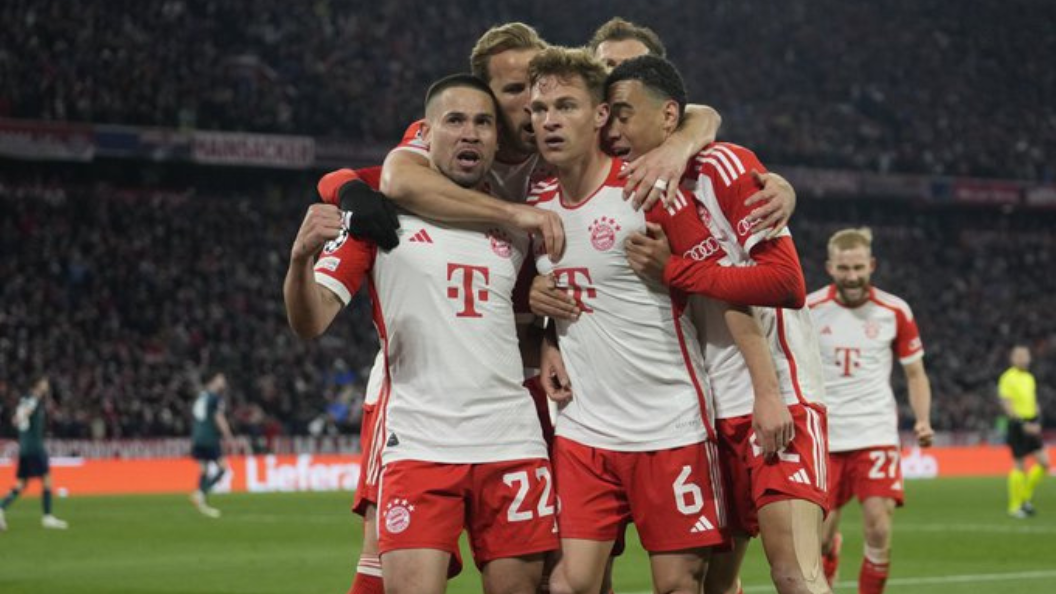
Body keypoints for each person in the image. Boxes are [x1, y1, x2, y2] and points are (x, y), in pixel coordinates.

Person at [527, 46, 791, 594]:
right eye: (539, 109)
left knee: (679, 585)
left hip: (669, 427)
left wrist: (767, 392)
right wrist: (545, 332)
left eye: (566, 106)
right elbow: (551, 289)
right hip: (583, 430)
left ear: (600, 115)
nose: (549, 121)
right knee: (570, 582)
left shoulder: (650, 190)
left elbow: (722, 289)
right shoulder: (536, 200)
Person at [285, 74, 556, 594]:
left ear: (496, 141)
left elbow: (530, 321)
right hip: (420, 443)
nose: (470, 133)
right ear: (425, 135)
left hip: (512, 440)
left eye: (483, 123)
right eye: (455, 121)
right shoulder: (378, 217)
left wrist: (550, 336)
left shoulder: (517, 226)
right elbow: (311, 320)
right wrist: (299, 261)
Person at [591, 55, 830, 594]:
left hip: (780, 396)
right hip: (700, 415)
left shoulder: (721, 165)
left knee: (796, 573)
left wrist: (674, 269)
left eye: (624, 114)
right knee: (714, 586)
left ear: (669, 115)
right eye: (607, 116)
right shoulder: (627, 191)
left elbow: (784, 283)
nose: (613, 129)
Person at [807, 227, 934, 592]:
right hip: (825, 437)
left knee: (878, 527)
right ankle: (830, 554)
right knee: (817, 539)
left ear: (872, 265)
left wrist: (922, 420)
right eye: (844, 268)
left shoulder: (894, 311)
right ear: (830, 267)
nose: (852, 276)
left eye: (859, 268)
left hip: (875, 431)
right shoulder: (809, 309)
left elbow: (915, 373)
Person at [0, 375, 69, 531]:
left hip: (25, 447)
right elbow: (22, 415)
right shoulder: (33, 399)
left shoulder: (24, 399)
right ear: (37, 384)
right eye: (44, 382)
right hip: (34, 447)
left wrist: (21, 419)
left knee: (21, 484)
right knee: (47, 479)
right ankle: (47, 517)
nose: (47, 384)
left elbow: (15, 420)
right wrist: (25, 415)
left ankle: (1, 508)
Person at [998, 345, 1048, 518]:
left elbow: (1034, 403)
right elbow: (1007, 405)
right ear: (1012, 359)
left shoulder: (1029, 378)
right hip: (1017, 424)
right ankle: (1014, 506)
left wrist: (1037, 421)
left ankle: (1025, 497)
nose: (1023, 359)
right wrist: (1023, 424)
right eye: (1019, 356)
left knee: (1044, 463)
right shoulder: (1007, 378)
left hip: (1032, 422)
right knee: (1019, 464)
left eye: (1025, 356)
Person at [189, 371, 235, 519]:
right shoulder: (215, 398)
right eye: (221, 379)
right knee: (223, 467)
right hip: (208, 438)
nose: (224, 382)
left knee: (203, 469)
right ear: (213, 380)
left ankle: (202, 504)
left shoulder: (201, 396)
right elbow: (219, 417)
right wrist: (228, 435)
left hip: (197, 437)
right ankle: (201, 493)